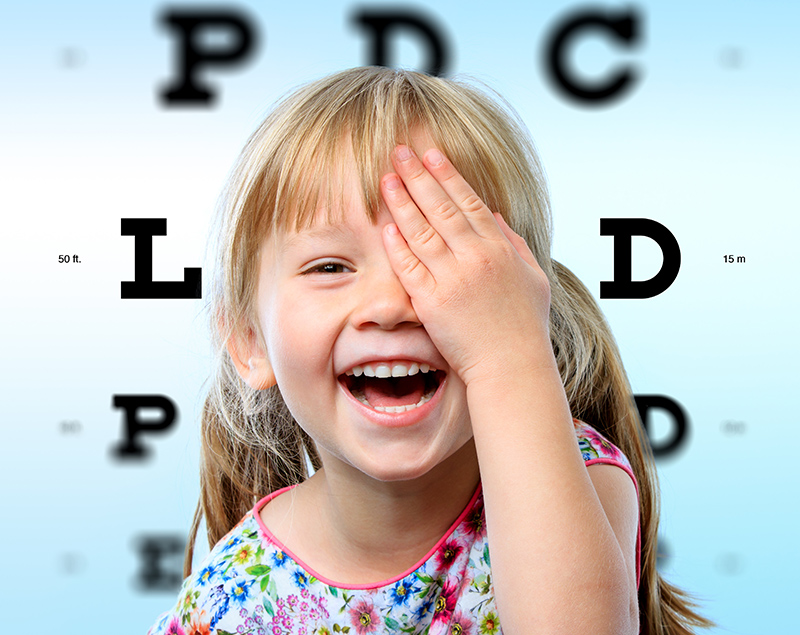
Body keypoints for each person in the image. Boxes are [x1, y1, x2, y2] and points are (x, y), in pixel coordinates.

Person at [147, 66, 712, 635]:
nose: (391, 304)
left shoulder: (578, 481)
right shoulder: (234, 594)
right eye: (330, 267)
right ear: (249, 341)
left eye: (441, 257)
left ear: (522, 306)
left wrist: (508, 355)